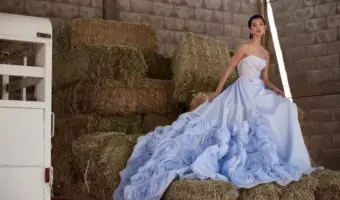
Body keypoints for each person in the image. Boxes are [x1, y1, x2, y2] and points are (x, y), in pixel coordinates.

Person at [113, 14, 315, 200]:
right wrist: (218, 92)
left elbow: (265, 79)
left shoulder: (265, 53)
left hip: (258, 89)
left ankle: (288, 155)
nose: (258, 27)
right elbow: (228, 69)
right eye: (255, 25)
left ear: (265, 28)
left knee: (286, 108)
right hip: (242, 90)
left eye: (261, 24)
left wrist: (276, 89)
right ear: (250, 29)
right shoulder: (244, 47)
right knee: (243, 125)